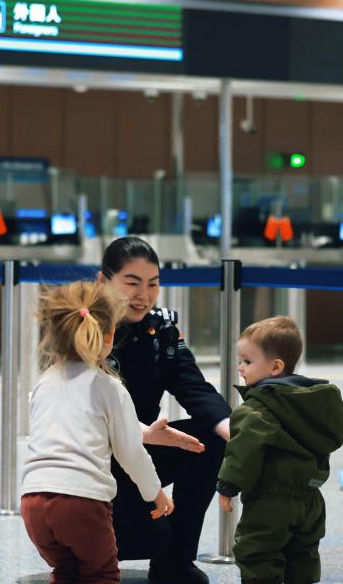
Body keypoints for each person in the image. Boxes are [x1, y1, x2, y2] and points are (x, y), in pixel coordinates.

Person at [97, 237, 231, 584]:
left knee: (208, 441)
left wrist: (230, 427)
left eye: (153, 284)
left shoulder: (160, 331)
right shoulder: (81, 329)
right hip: (93, 460)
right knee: (142, 538)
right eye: (132, 283)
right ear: (103, 281)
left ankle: (175, 561)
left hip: (140, 453)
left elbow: (191, 384)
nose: (143, 295)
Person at [21, 281, 174, 584]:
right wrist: (155, 493)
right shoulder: (109, 387)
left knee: (66, 571)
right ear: (109, 336)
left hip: (33, 502)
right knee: (100, 574)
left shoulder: (43, 383)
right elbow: (131, 453)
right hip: (82, 502)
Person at [216, 317, 343, 584]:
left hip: (270, 499)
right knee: (303, 554)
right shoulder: (314, 404)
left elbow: (243, 451)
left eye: (247, 361)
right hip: (311, 499)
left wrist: (227, 486)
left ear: (276, 367)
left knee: (258, 554)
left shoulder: (257, 408)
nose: (240, 368)